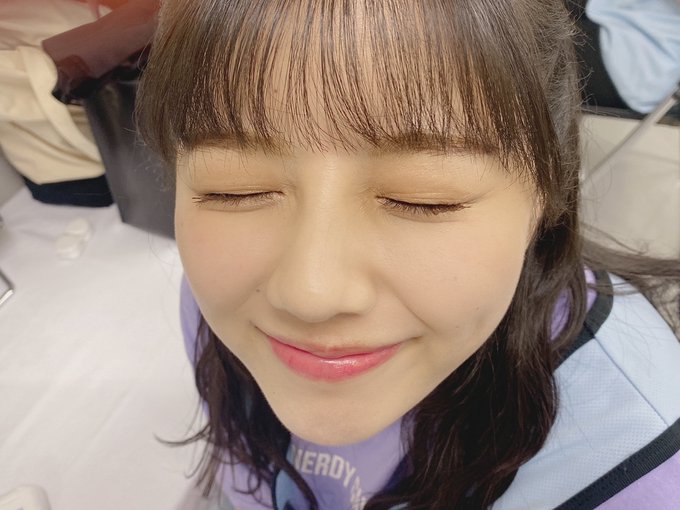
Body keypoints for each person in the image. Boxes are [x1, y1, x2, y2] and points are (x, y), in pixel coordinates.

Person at [135, 0, 680, 508]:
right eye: (236, 190)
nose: (309, 293)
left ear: (547, 192)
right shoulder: (217, 294)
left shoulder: (634, 467)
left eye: (421, 198)